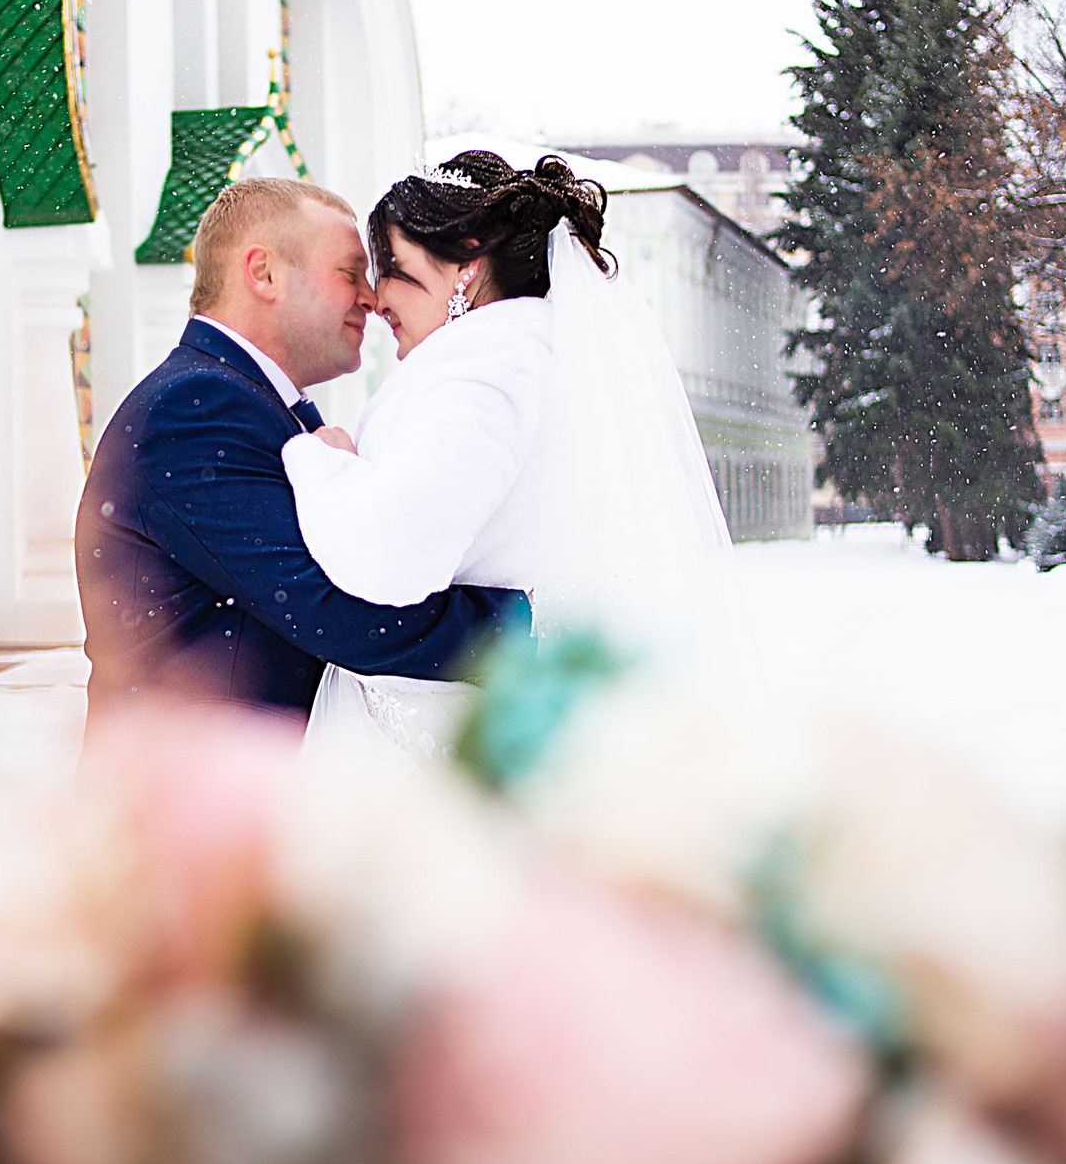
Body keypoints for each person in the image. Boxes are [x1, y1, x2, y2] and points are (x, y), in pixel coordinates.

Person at [282, 149, 732, 762]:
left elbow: (394, 559)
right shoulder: (528, 358)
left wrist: (326, 463)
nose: (376, 295)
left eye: (390, 264)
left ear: (465, 263)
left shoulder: (485, 371)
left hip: (426, 737)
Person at [76, 177, 531, 731]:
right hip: (193, 791)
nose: (370, 296)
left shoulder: (251, 402)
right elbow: (340, 613)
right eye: (349, 273)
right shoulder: (192, 409)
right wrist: (534, 625)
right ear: (263, 273)